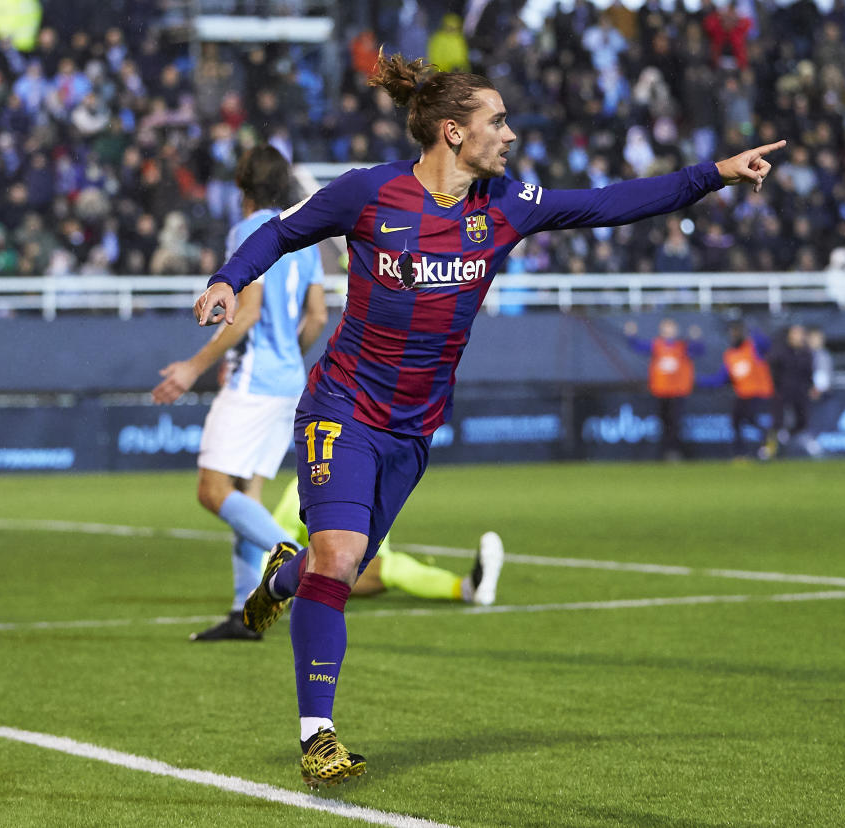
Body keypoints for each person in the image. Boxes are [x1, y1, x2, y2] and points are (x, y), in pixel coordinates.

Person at [193, 51, 784, 788]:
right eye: (496, 121)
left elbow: (610, 202)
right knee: (340, 559)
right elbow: (280, 232)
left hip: (411, 432)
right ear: (451, 132)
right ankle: (318, 736)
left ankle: (280, 583)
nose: (509, 133)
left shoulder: (507, 205)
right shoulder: (368, 193)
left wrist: (714, 173)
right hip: (341, 409)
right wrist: (226, 278)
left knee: (331, 569)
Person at [152, 146, 328, 642]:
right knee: (247, 495)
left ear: (244, 186)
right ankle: (245, 613)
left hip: (254, 381)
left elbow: (246, 312)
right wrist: (288, 356)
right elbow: (316, 316)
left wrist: (191, 367)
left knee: (213, 490)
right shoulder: (307, 239)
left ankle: (295, 559)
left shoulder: (250, 231)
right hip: (289, 382)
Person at [269, 479, 503, 604]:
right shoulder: (300, 491)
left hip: (347, 572)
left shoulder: (368, 491)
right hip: (310, 574)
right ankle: (466, 589)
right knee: (390, 567)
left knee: (390, 566)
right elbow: (273, 545)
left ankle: (466, 588)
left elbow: (379, 555)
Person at [623, 318, 703, 460]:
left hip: (677, 392)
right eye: (666, 330)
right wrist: (631, 335)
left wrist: (696, 339)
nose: (669, 332)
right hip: (661, 391)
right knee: (664, 423)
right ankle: (665, 452)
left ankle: (674, 452)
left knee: (675, 423)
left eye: (671, 329)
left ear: (676, 331)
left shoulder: (682, 346)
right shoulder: (657, 345)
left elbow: (698, 350)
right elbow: (638, 346)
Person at [699, 321, 776, 459]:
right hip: (743, 393)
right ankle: (741, 453)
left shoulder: (753, 347)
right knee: (736, 422)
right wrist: (698, 382)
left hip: (759, 392)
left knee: (750, 418)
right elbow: (721, 378)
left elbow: (766, 344)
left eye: (737, 332)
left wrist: (752, 330)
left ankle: (767, 440)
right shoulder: (730, 354)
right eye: (732, 333)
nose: (734, 335)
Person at [767, 323, 816, 454]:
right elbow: (774, 370)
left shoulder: (806, 353)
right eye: (795, 333)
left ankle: (787, 438)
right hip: (782, 390)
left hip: (800, 391)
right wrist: (777, 386)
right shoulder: (781, 351)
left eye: (800, 334)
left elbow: (809, 373)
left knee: (802, 421)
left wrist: (811, 386)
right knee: (777, 421)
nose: (798, 337)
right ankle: (769, 449)